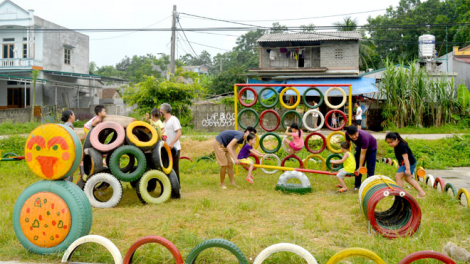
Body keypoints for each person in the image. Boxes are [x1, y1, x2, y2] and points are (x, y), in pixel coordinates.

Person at [385, 132, 426, 198]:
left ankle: (399, 195)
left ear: (397, 139)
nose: (390, 144)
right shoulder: (396, 146)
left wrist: (407, 169)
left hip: (409, 163)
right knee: (408, 179)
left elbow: (406, 158)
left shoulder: (402, 146)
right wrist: (399, 164)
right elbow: (399, 157)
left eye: (391, 142)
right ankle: (421, 193)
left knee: (398, 177)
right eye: (388, 143)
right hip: (406, 163)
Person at [345, 125, 377, 191]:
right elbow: (348, 144)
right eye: (351, 135)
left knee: (370, 167)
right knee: (356, 167)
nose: (354, 137)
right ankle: (357, 186)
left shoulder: (364, 137)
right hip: (360, 147)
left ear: (358, 132)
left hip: (371, 148)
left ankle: (369, 186)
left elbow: (363, 154)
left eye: (355, 134)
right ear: (348, 134)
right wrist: (348, 154)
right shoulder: (346, 134)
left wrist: (360, 167)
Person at [160, 103, 182, 184]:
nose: (159, 113)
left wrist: (172, 144)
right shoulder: (164, 122)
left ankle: (176, 188)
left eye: (160, 111)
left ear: (163, 111)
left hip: (174, 149)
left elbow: (179, 133)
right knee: (167, 168)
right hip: (167, 149)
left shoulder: (173, 120)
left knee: (175, 168)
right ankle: (169, 186)